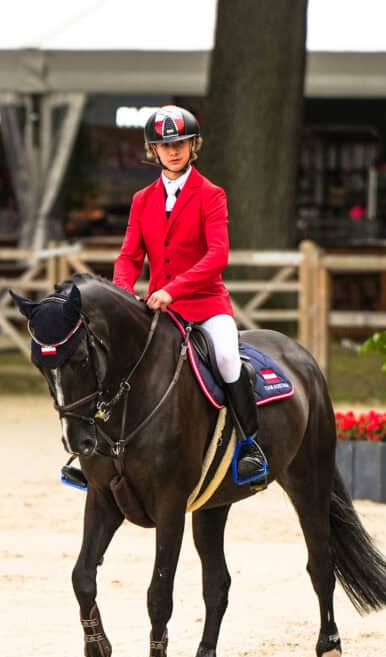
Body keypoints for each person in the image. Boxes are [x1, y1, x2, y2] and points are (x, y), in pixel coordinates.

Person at [112, 104, 267, 485]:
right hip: (160, 310)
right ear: (154, 151)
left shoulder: (210, 194)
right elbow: (129, 256)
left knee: (229, 357)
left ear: (193, 145)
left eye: (181, 143)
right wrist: (121, 296)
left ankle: (250, 444)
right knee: (114, 361)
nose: (174, 150)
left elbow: (218, 255)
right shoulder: (141, 200)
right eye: (165, 145)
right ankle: (96, 451)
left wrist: (172, 289)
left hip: (205, 305)